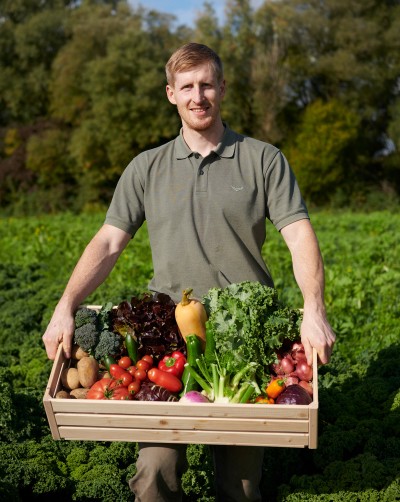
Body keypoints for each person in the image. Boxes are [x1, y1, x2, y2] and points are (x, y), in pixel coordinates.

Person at [43, 42, 335, 501]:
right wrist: (66, 306)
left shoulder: (263, 160)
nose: (197, 96)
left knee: (239, 486)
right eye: (186, 87)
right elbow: (108, 242)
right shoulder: (146, 168)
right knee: (153, 475)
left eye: (206, 84)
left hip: (244, 340)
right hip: (167, 345)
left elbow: (299, 235)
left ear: (221, 88)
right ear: (171, 94)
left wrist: (314, 309)